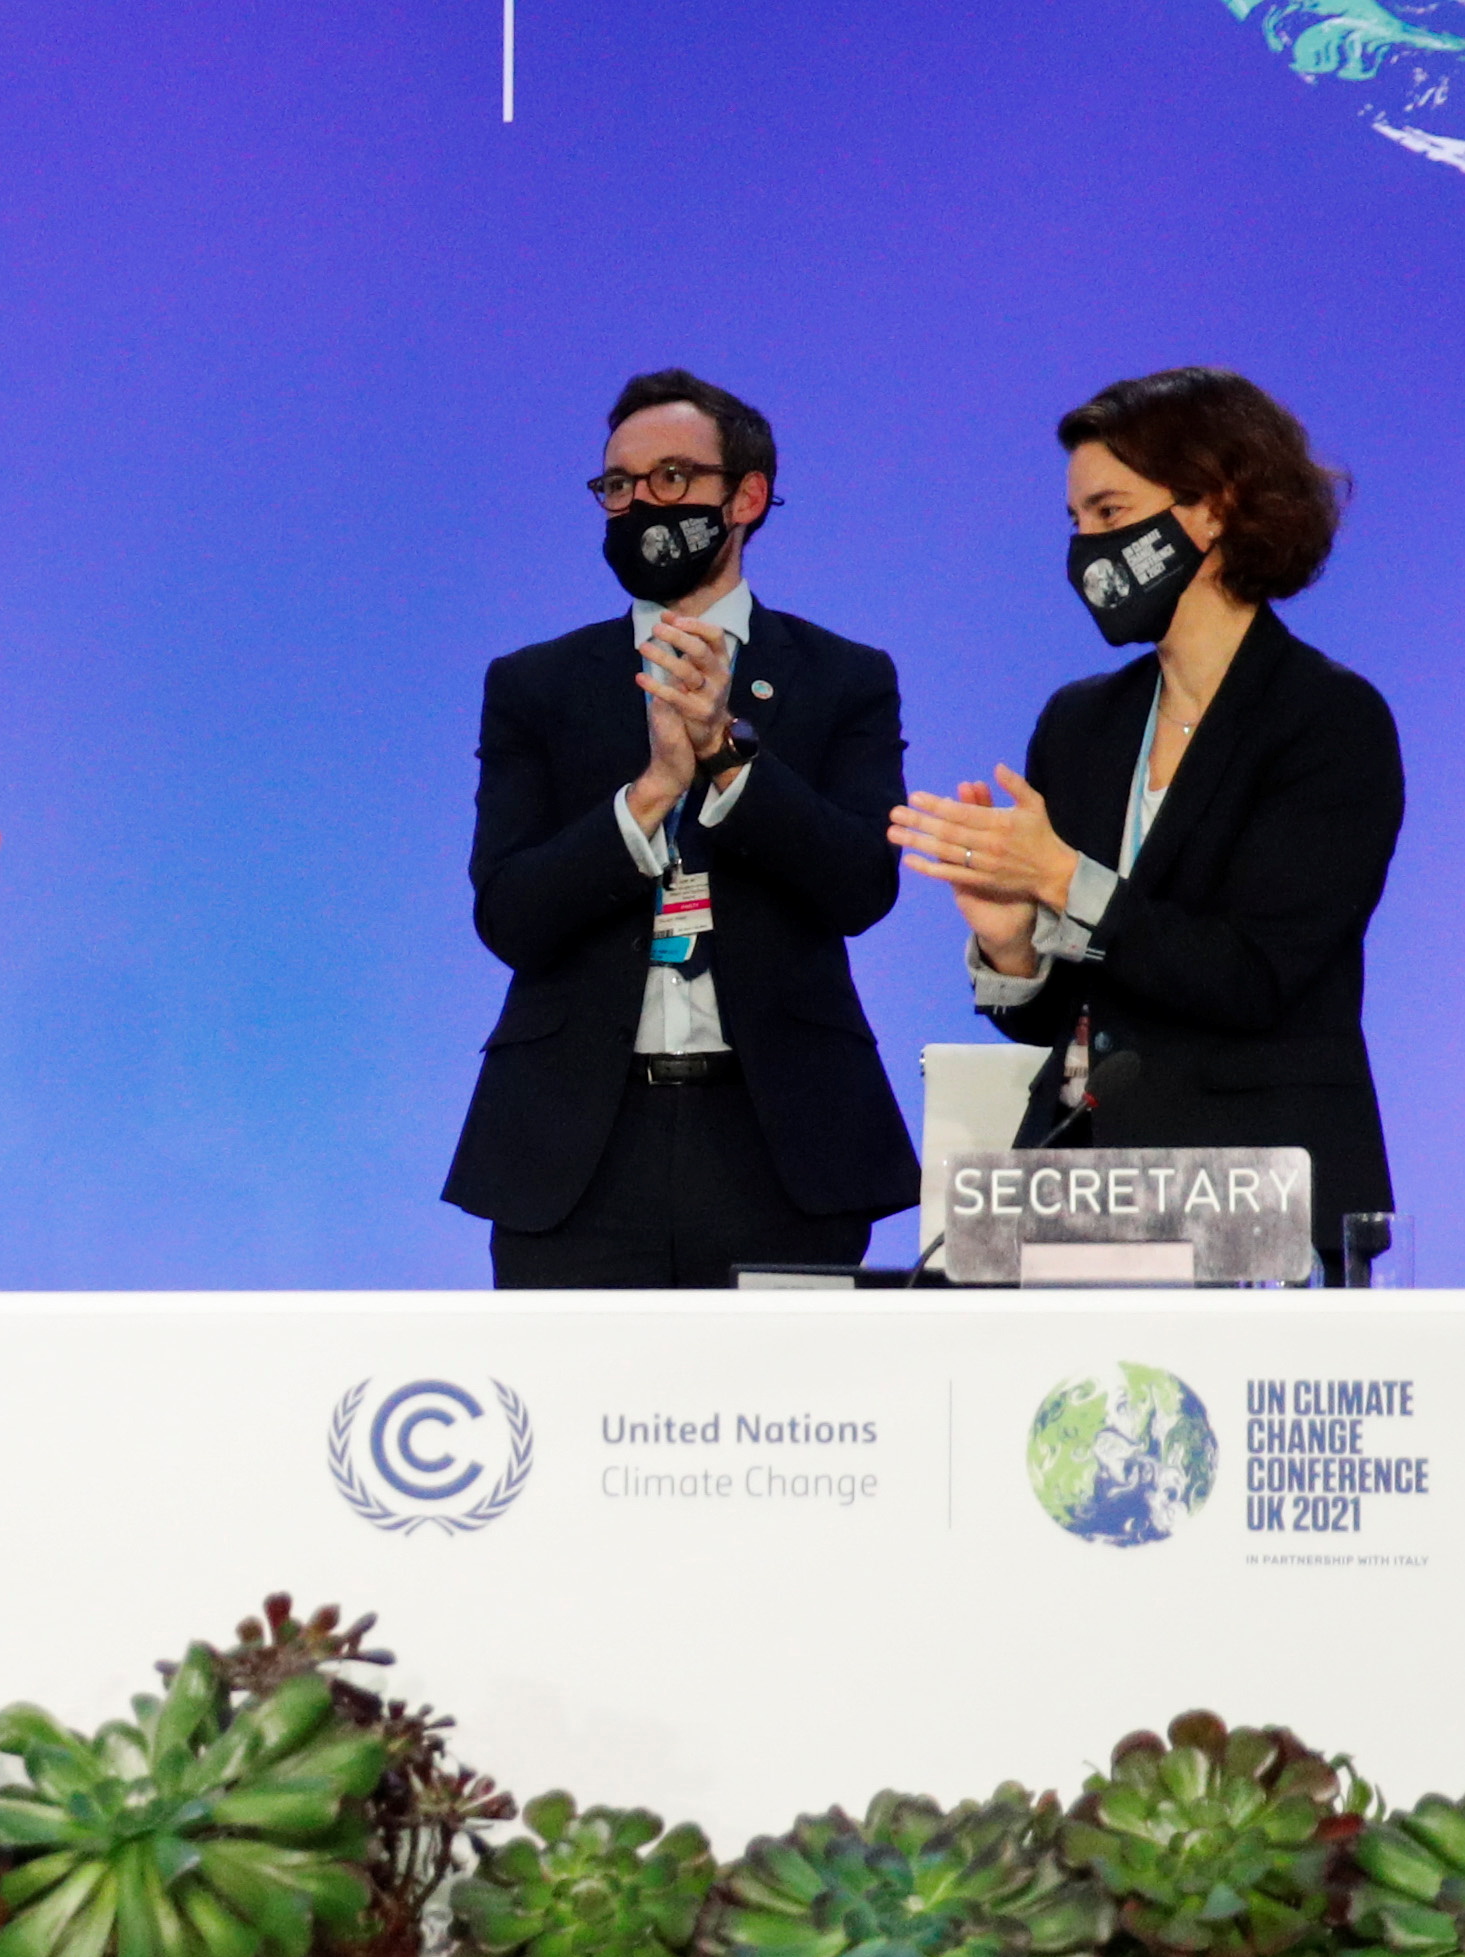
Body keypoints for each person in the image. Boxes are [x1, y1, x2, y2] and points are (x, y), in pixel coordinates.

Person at [890, 369, 1397, 1263]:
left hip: (1258, 1203)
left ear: (1212, 507)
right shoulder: (1081, 722)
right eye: (1075, 522)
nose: (1085, 549)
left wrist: (1057, 877)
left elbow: (1252, 977)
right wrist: (1014, 947)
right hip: (1075, 1192)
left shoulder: (1327, 721)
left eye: (1109, 512)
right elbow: (1082, 1013)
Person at [448, 370, 913, 1286]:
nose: (636, 504)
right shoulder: (537, 685)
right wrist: (654, 790)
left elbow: (862, 886)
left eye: (668, 478)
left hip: (780, 1145)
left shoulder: (841, 678)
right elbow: (508, 914)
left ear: (744, 496)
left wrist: (730, 761)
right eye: (617, 486)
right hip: (576, 1147)